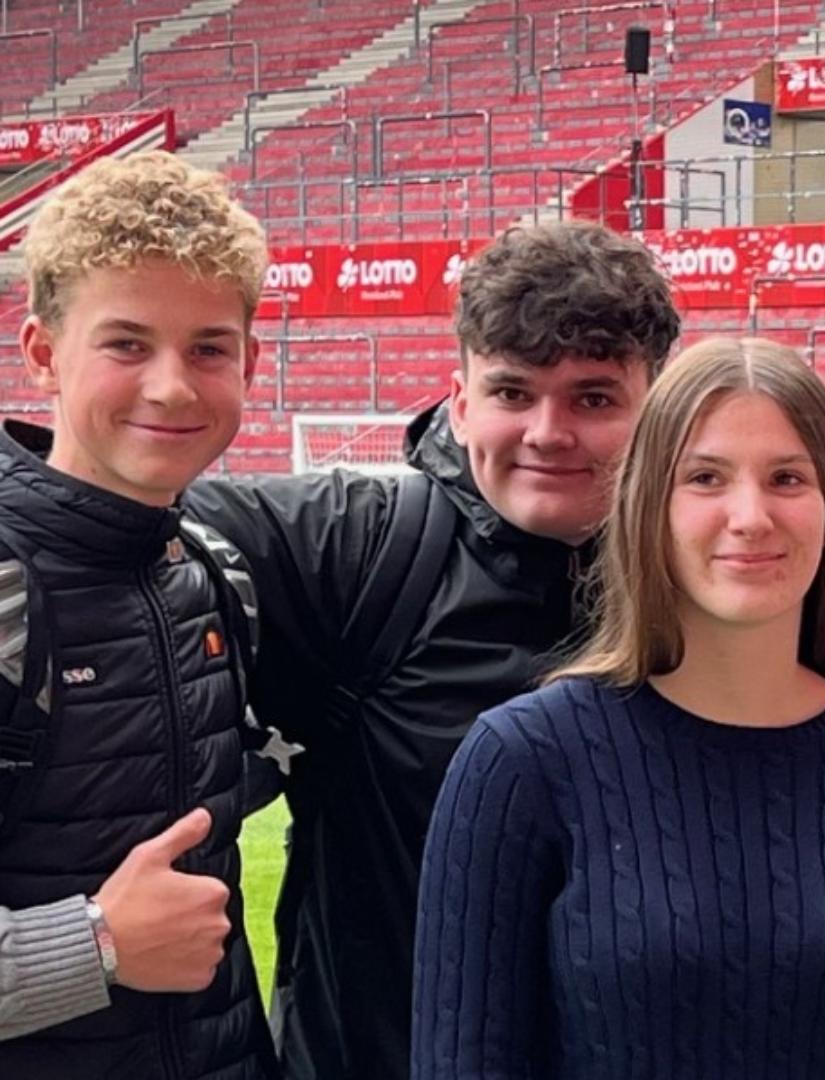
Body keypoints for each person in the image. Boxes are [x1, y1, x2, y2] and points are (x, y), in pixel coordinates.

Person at [413, 337, 825, 1079]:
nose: (750, 516)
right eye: (706, 478)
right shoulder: (522, 765)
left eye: (786, 477)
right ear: (649, 503)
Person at [180, 220, 681, 1080]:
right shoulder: (357, 553)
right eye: (513, 394)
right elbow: (108, 513)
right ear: (459, 401)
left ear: (661, 407)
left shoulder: (725, 581)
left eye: (593, 398)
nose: (548, 432)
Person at [0, 151, 277, 1076]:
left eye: (208, 348)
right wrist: (97, 943)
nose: (172, 386)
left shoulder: (211, 571)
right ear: (42, 351)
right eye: (127, 344)